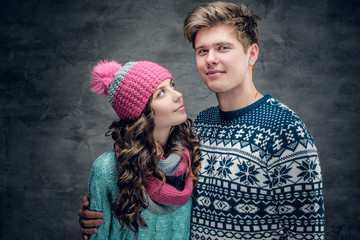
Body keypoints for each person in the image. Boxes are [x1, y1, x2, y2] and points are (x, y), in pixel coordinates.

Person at [79, 2, 325, 239]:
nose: (210, 59)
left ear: (252, 53)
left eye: (223, 48)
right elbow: (158, 184)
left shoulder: (286, 131)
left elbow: (307, 233)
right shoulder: (200, 127)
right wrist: (101, 211)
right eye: (202, 51)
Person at [81, 59, 201, 239]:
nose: (178, 95)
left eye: (172, 86)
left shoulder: (192, 158)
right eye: (161, 93)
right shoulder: (106, 169)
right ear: (141, 114)